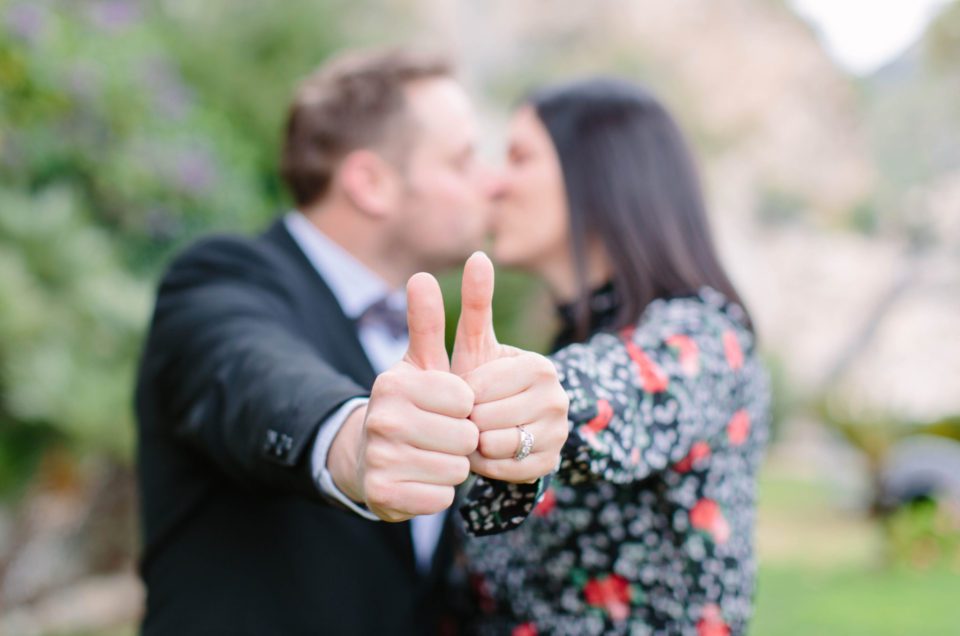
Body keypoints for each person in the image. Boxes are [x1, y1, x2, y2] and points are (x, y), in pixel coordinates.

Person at [134, 48, 569, 636]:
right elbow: (252, 377)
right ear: (371, 183)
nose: (491, 182)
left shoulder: (431, 337)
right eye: (463, 159)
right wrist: (349, 439)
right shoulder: (221, 278)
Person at [461, 77, 771, 635]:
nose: (492, 183)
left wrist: (546, 407)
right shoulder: (573, 337)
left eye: (519, 157)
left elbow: (625, 388)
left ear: (601, 177)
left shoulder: (704, 336)